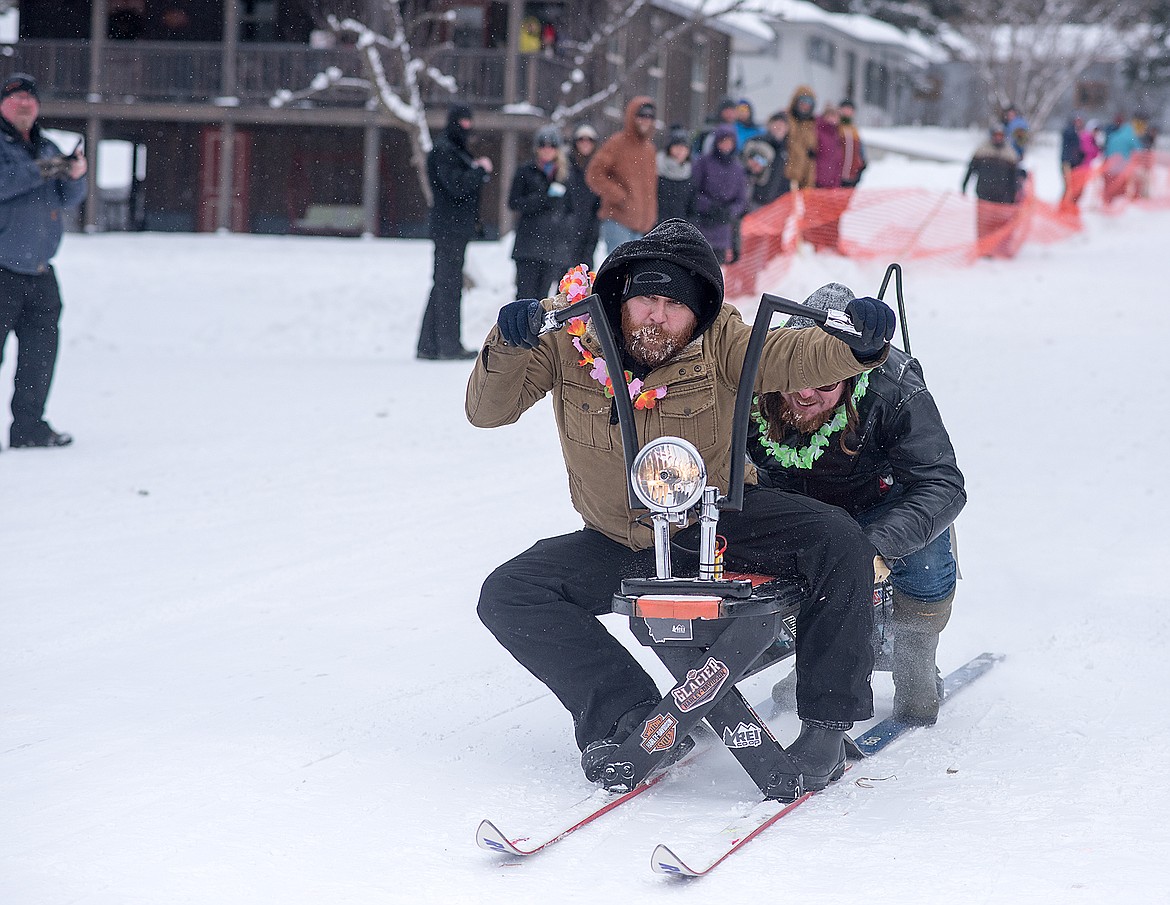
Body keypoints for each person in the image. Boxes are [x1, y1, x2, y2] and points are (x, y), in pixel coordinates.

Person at [467, 217, 897, 792]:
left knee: (837, 539)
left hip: (716, 525)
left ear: (698, 314)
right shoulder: (570, 337)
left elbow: (792, 355)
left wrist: (856, 346)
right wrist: (510, 342)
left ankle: (825, 723)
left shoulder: (722, 339)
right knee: (511, 594)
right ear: (621, 296)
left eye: (674, 306)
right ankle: (626, 713)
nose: (656, 316)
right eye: (646, 298)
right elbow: (486, 411)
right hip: (620, 539)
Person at [750, 283, 966, 726]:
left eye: (823, 383)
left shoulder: (896, 386)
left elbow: (942, 483)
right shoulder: (756, 380)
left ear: (851, 372)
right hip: (797, 510)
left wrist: (875, 545)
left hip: (881, 508)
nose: (805, 395)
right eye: (794, 382)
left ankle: (914, 658)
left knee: (926, 556)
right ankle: (812, 659)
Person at [0, 72, 87, 450]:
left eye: (30, 100)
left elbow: (67, 198)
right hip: (2, 268)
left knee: (39, 356)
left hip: (40, 271)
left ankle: (29, 428)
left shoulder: (48, 146)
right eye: (16, 99)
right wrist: (44, 169)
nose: (24, 105)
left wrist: (76, 174)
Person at [416, 103, 492, 361]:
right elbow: (456, 186)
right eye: (463, 122)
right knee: (448, 285)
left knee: (444, 284)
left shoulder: (453, 149)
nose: (467, 127)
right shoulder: (445, 150)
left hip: (452, 228)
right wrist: (479, 171)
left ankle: (428, 345)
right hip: (449, 229)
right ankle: (448, 346)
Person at [585, 96, 658, 255]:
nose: (645, 120)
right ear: (632, 116)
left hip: (641, 226)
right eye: (641, 115)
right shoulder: (617, 143)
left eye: (650, 117)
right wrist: (619, 196)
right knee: (618, 274)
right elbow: (594, 174)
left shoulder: (650, 149)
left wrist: (650, 214)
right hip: (618, 221)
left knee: (634, 277)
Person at [508, 126, 572, 300]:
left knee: (543, 301)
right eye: (543, 145)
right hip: (528, 246)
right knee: (524, 298)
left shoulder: (564, 175)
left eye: (551, 145)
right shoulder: (525, 171)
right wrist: (542, 199)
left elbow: (571, 210)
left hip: (552, 248)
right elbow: (513, 202)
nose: (547, 149)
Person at [690, 123, 749, 263]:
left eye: (729, 142)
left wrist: (729, 212)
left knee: (717, 270)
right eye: (723, 141)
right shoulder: (702, 163)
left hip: (723, 231)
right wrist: (708, 206)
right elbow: (692, 192)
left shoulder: (738, 169)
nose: (726, 145)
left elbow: (741, 200)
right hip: (701, 225)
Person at [961, 124, 1022, 257]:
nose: (998, 138)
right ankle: (984, 248)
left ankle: (1000, 248)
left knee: (1000, 223)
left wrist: (1015, 193)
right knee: (984, 224)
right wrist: (964, 185)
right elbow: (971, 169)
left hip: (1002, 196)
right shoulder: (982, 150)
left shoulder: (1009, 153)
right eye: (996, 135)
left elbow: (1014, 177)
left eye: (1001, 135)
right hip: (984, 193)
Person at [562, 124, 601, 271]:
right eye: (581, 139)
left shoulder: (599, 167)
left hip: (590, 225)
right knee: (565, 274)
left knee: (586, 271)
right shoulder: (566, 165)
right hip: (569, 225)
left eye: (589, 140)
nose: (585, 143)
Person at [655, 126, 694, 223]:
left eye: (684, 147)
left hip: (679, 228)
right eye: (677, 146)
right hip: (655, 227)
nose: (680, 151)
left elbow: (692, 208)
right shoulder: (657, 169)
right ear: (669, 148)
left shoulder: (690, 174)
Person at [785, 85, 819, 191]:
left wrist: (808, 183)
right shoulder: (785, 119)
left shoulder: (812, 126)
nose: (805, 106)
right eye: (803, 101)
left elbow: (810, 157)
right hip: (782, 178)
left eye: (809, 103)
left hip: (800, 181)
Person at [838, 99, 867, 188]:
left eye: (850, 109)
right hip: (837, 176)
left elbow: (860, 150)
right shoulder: (836, 127)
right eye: (845, 109)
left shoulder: (854, 130)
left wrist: (861, 166)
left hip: (852, 177)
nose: (847, 112)